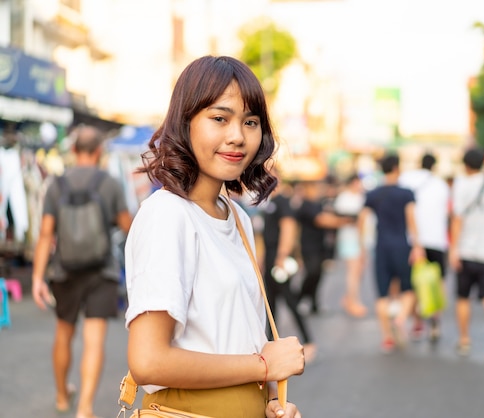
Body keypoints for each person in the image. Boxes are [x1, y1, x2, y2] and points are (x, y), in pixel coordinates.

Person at [124, 56, 304, 418]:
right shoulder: (167, 214)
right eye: (219, 118)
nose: (237, 136)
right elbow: (148, 361)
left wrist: (270, 402)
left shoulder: (236, 216)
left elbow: (238, 334)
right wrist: (264, 366)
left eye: (250, 122)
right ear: (185, 121)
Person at [31, 125, 133, 418]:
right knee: (94, 340)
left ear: (73, 150)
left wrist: (38, 278)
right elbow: (129, 227)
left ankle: (63, 396)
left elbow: (45, 235)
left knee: (63, 334)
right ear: (100, 152)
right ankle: (85, 408)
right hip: (102, 271)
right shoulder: (110, 183)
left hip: (65, 270)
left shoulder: (56, 184)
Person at [358, 153, 424, 353]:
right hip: (401, 245)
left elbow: (362, 220)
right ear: (397, 168)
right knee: (408, 289)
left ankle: (387, 338)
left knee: (382, 294)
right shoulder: (406, 193)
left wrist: (362, 247)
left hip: (381, 246)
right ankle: (401, 317)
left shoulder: (373, 194)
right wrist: (417, 245)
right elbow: (411, 219)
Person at [449, 148, 484, 363]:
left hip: (467, 250)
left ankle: (464, 340)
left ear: (465, 164)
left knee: (463, 297)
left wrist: (454, 249)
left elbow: (457, 219)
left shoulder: (461, 185)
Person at [259, 171, 317, 363]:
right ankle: (270, 343)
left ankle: (308, 341)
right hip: (270, 260)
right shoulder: (269, 203)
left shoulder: (282, 202)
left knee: (290, 300)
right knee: (270, 305)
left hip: (278, 260)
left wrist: (282, 256)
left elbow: (289, 228)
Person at [399, 152, 450, 341]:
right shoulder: (441, 185)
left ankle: (415, 321)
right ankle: (435, 322)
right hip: (437, 240)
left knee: (413, 283)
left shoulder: (406, 179)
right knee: (437, 282)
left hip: (411, 240)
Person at [295, 179, 353, 315]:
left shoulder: (318, 204)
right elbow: (322, 220)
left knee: (318, 275)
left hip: (319, 245)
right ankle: (298, 298)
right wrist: (345, 222)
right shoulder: (306, 205)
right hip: (308, 246)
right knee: (312, 272)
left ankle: (314, 303)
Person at [334, 174, 368, 318]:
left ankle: (350, 298)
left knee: (359, 271)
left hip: (361, 239)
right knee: (353, 271)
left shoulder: (361, 197)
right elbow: (340, 217)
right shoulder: (344, 198)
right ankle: (353, 301)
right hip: (350, 239)